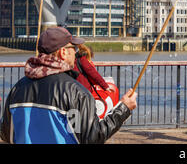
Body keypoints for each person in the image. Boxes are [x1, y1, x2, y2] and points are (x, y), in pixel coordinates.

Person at [0, 27, 137, 144]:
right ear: (63, 52)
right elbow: (92, 138)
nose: (75, 52)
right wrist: (123, 109)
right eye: (74, 48)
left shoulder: (17, 89)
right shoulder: (76, 92)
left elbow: (6, 134)